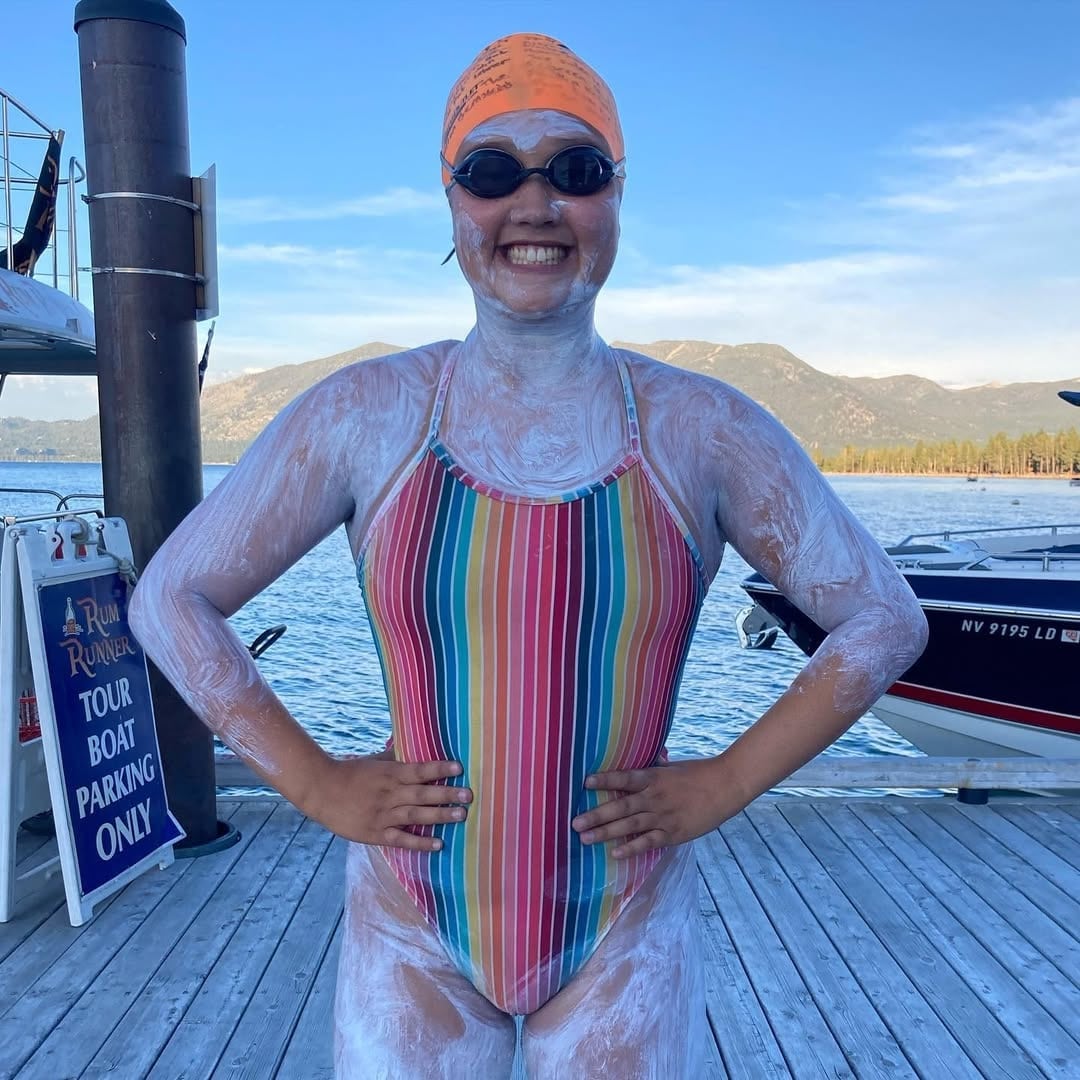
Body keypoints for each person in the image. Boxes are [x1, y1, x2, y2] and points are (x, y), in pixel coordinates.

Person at [129, 32, 928, 1080]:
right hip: (412, 925)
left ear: (618, 195)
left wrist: (728, 779)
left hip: (625, 924)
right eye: (494, 171)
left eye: (579, 171)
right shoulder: (369, 415)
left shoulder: (703, 429)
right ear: (452, 198)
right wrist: (316, 784)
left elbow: (884, 618)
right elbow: (171, 600)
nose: (537, 205)